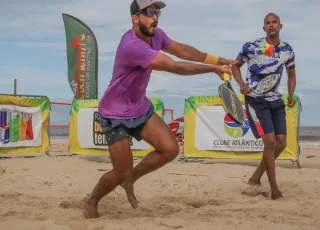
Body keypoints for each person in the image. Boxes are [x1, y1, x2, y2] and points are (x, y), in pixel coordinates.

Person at [83, 0, 236, 219]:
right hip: (114, 114)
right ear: (135, 17)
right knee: (119, 172)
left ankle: (131, 178)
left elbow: (182, 50)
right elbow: (174, 66)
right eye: (150, 12)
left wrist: (218, 59)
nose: (155, 17)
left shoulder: (157, 35)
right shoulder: (131, 45)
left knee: (170, 149)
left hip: (139, 108)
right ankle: (93, 200)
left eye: (157, 13)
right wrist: (212, 69)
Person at [231, 13, 296, 200]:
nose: (271, 25)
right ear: (264, 28)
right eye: (268, 23)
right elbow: (235, 66)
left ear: (280, 26)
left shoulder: (287, 50)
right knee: (270, 141)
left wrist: (290, 94)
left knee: (281, 143)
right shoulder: (250, 47)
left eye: (274, 22)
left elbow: (291, 74)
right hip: (256, 99)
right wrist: (242, 85)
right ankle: (274, 188)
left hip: (276, 100)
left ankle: (256, 177)